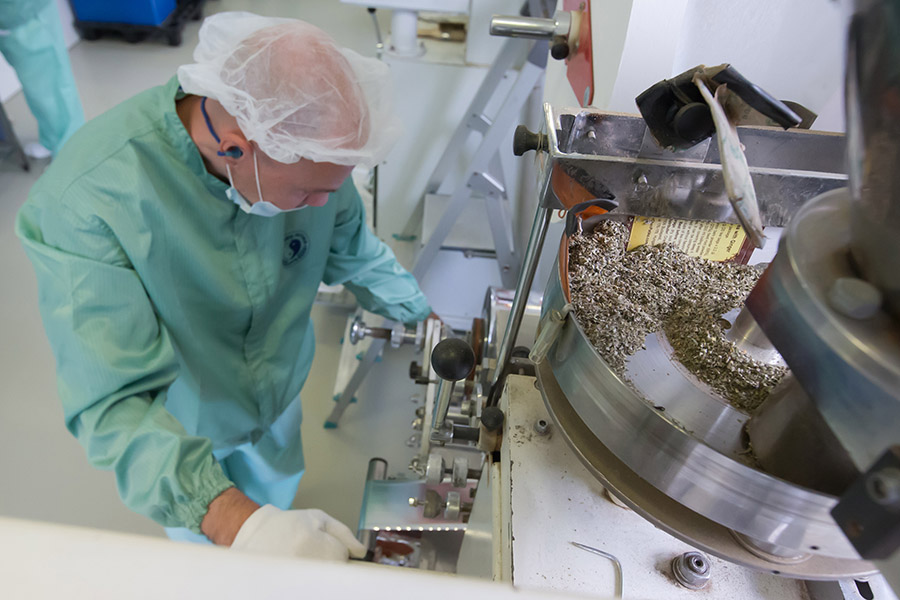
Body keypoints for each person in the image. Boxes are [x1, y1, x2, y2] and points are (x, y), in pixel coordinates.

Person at [16, 12, 432, 560]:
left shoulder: (309, 158)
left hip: (278, 398)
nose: (322, 205)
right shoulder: (90, 201)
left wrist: (425, 316)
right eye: (308, 193)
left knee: (276, 491)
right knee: (210, 552)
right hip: (182, 426)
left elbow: (352, 247)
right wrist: (234, 520)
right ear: (237, 148)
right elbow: (114, 405)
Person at [0, 0, 84, 157]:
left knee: (50, 85)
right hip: (9, 17)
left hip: (26, 14)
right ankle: (52, 140)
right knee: (34, 88)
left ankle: (71, 152)